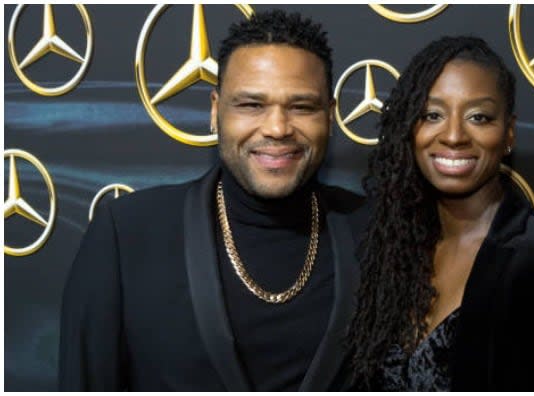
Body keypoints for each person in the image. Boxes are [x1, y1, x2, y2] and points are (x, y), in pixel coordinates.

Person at [59, 10, 367, 391]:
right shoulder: (127, 233)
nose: (276, 127)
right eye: (252, 105)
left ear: (330, 116)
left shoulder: (371, 230)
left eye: (301, 107)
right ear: (214, 110)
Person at [346, 36, 534, 391]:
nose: (453, 135)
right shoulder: (387, 252)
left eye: (478, 117)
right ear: (410, 128)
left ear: (508, 132)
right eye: (432, 115)